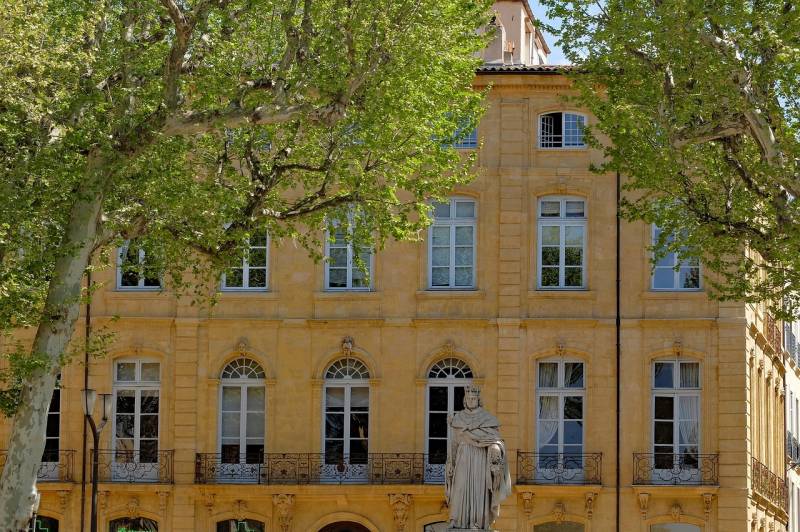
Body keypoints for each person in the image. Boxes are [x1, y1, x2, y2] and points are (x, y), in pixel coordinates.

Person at [445, 385, 511, 530]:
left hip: (480, 458)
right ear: (465, 400)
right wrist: (451, 463)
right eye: (468, 398)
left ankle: (477, 522)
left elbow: (496, 440)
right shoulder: (458, 418)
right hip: (463, 457)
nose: (471, 400)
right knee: (460, 488)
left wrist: (495, 450)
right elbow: (454, 442)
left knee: (478, 490)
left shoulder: (487, 419)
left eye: (474, 398)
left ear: (478, 400)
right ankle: (455, 520)